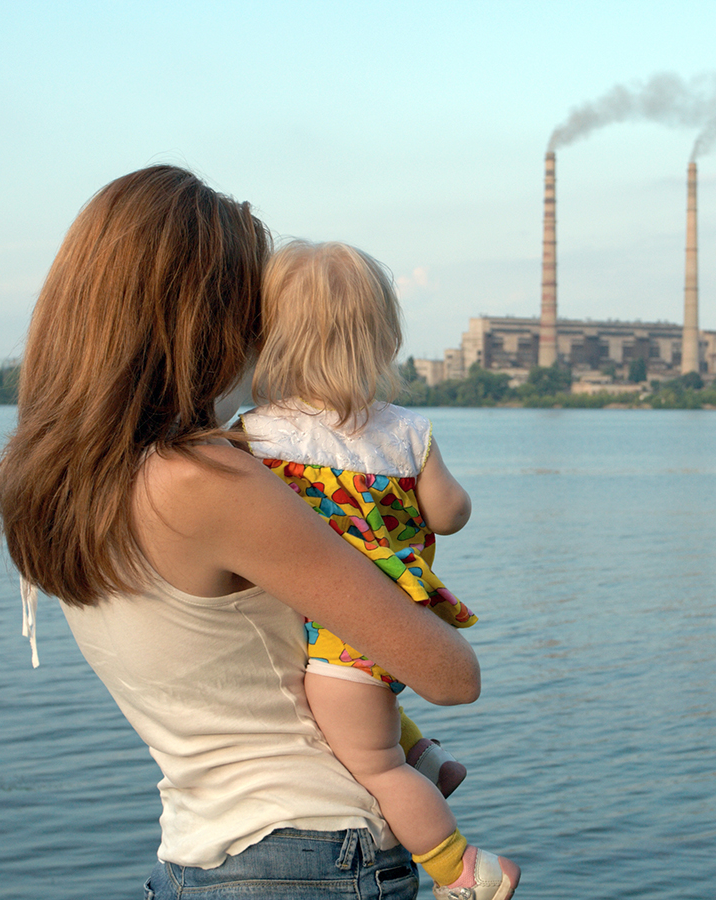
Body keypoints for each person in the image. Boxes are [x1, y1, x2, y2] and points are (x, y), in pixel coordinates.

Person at [0, 166, 483, 900]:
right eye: (254, 310)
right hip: (312, 855)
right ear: (206, 320)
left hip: (196, 857)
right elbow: (451, 675)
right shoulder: (206, 481)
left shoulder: (59, 485)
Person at [241, 240, 521, 900]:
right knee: (366, 718)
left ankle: (464, 869)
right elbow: (449, 514)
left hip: (340, 630)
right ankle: (430, 757)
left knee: (374, 765)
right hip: (398, 620)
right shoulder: (408, 434)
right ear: (383, 336)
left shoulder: (254, 437)